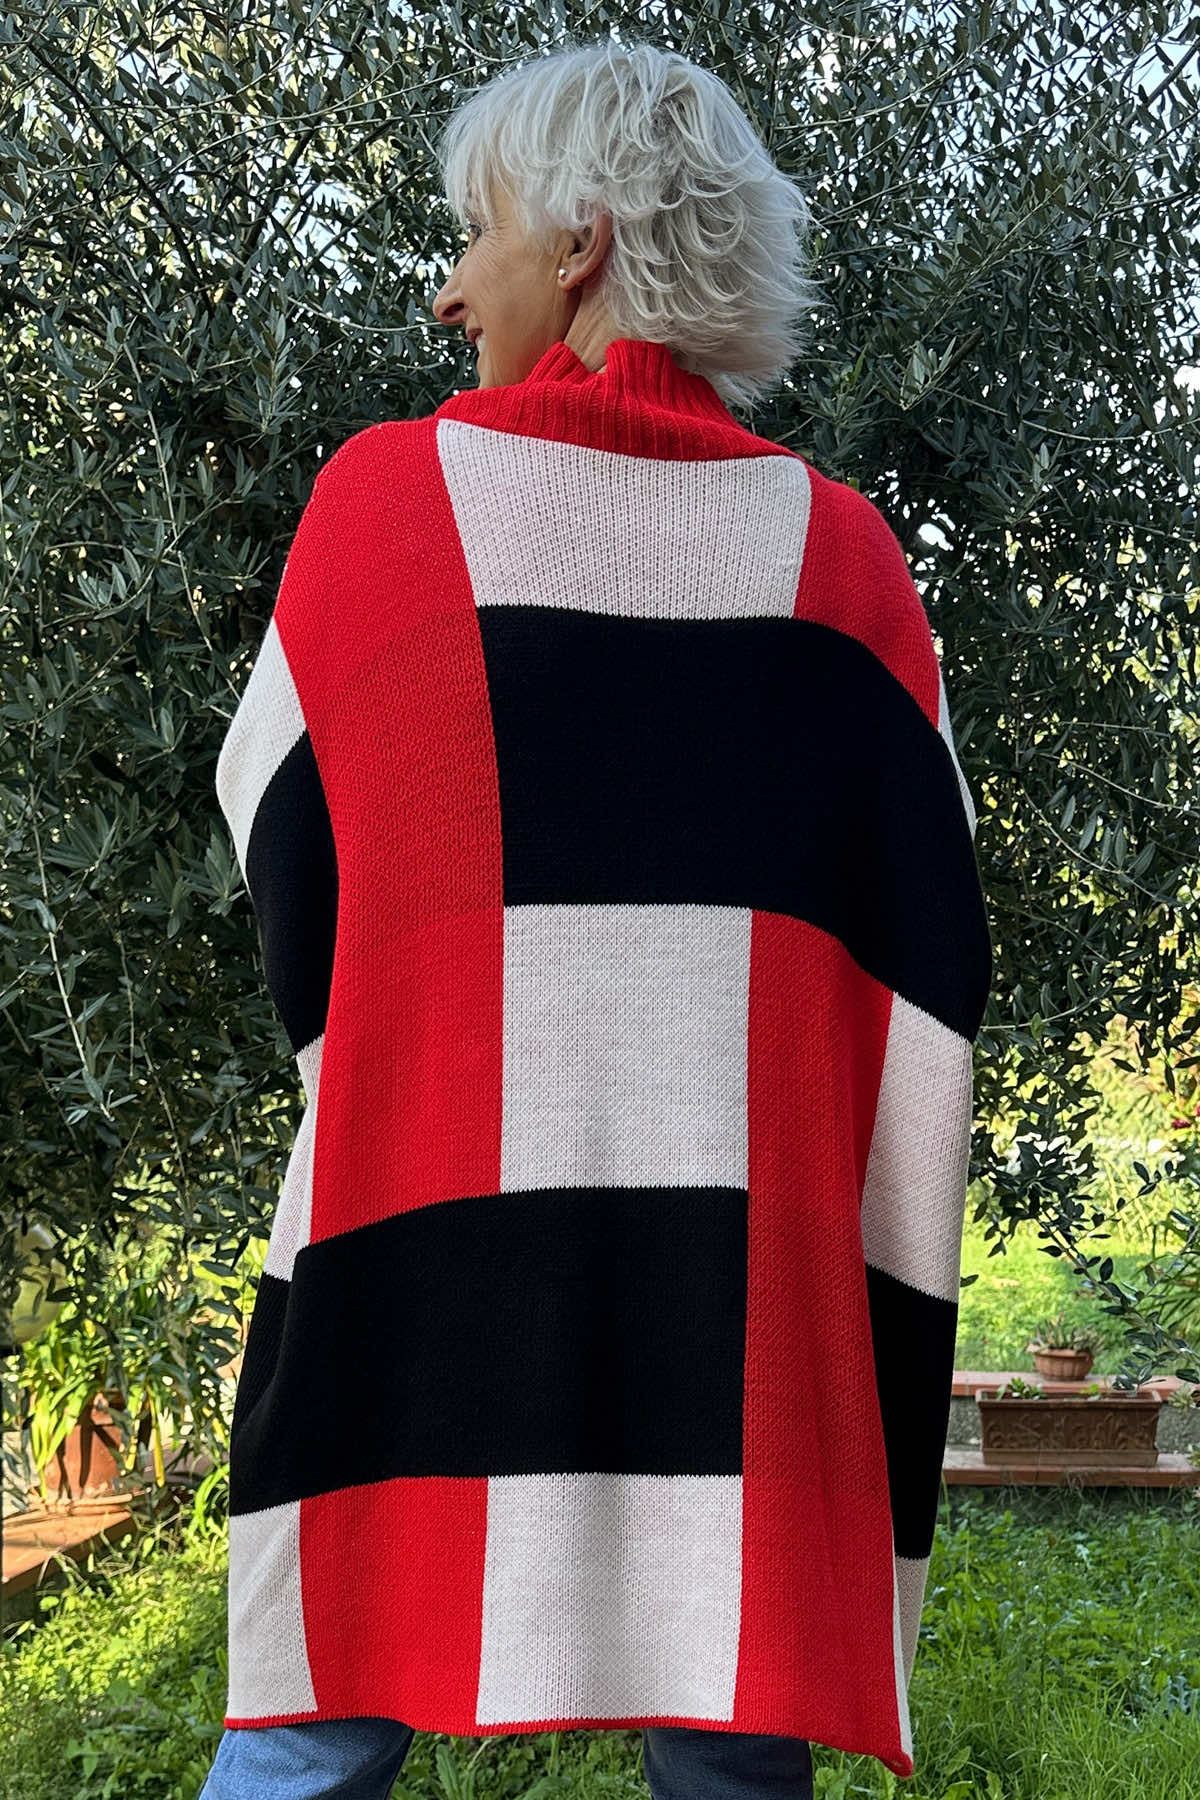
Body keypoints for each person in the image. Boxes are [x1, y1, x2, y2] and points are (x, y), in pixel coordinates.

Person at [200, 34, 991, 1800]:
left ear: (578, 243)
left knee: (314, 1722)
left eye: (472, 231)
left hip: (429, 1229)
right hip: (745, 1278)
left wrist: (437, 1067)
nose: (446, 285)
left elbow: (292, 872)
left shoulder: (388, 506)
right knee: (733, 1724)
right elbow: (927, 960)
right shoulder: (842, 563)